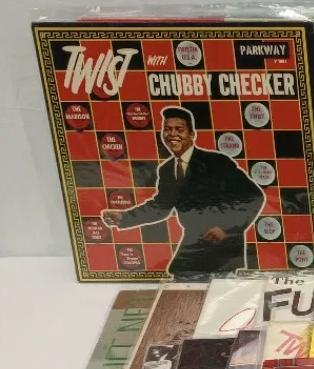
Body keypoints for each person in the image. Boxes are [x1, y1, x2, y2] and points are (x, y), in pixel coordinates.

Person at [101, 106, 265, 275]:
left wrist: (226, 228)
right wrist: (124, 217)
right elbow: (160, 207)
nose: (172, 134)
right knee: (179, 276)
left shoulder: (217, 161)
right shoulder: (167, 169)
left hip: (223, 248)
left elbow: (254, 196)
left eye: (179, 129)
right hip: (193, 241)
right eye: (167, 129)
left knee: (212, 285)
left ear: (192, 135)